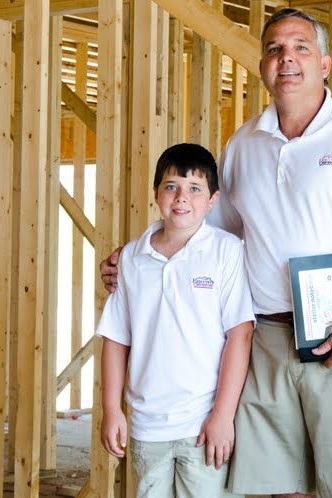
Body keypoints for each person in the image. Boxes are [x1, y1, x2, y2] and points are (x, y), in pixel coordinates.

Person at [101, 9, 332, 498]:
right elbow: (205, 227)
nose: (286, 58)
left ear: (325, 64)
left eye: (300, 47)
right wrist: (140, 251)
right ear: (262, 66)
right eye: (274, 48)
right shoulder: (243, 144)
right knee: (279, 485)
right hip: (269, 338)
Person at [96, 143, 254, 498]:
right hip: (147, 427)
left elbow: (239, 336)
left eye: (195, 189)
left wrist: (223, 416)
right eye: (171, 186)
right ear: (156, 194)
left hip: (203, 424)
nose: (181, 197)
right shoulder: (133, 258)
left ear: (213, 200)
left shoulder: (227, 252)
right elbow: (115, 338)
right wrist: (111, 410)